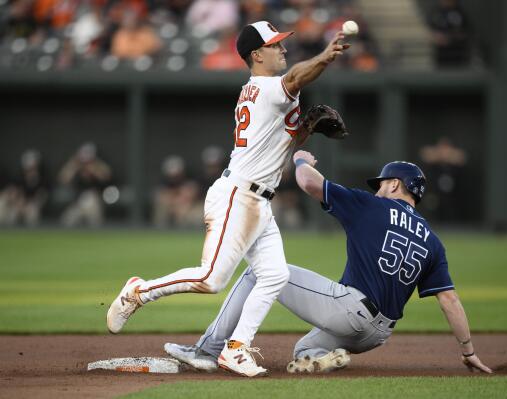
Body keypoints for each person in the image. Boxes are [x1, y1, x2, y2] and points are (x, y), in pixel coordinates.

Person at [106, 21, 351, 377]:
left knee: (274, 275)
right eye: (275, 45)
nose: (283, 49)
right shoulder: (268, 87)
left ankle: (235, 349)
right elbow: (297, 77)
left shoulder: (262, 89)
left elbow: (278, 142)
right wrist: (326, 57)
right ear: (256, 54)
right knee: (211, 279)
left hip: (257, 201)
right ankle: (139, 292)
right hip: (239, 197)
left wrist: (305, 130)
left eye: (282, 43)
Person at [163, 150, 493, 375]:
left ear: (394, 185)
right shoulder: (432, 240)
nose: (377, 190)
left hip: (351, 311)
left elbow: (308, 182)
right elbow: (449, 300)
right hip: (377, 335)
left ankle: (208, 350)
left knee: (262, 271)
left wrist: (301, 157)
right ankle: (323, 359)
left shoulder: (372, 207)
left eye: (381, 185)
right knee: (303, 352)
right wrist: (467, 351)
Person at [58, 142, 111, 227]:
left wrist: (92, 168)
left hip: (94, 200)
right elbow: (63, 179)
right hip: (78, 202)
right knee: (67, 221)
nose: (86, 163)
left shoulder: (98, 166)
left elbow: (106, 176)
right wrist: (74, 166)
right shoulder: (75, 167)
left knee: (95, 223)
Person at [152, 155, 203, 228]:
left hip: (190, 208)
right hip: (172, 207)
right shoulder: (163, 182)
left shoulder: (190, 178)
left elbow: (189, 196)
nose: (174, 177)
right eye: (172, 175)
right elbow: (160, 197)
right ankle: (159, 231)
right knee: (161, 209)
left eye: (177, 175)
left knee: (191, 212)